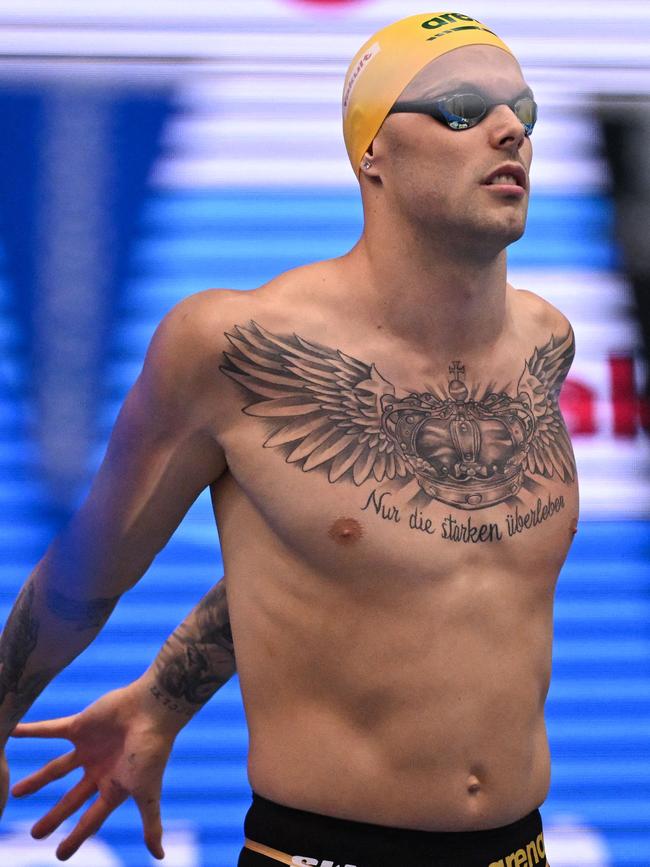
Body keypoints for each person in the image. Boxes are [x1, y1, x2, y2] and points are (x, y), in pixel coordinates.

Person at [0, 11, 578, 866]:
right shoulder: (234, 346)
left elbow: (347, 552)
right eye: (461, 110)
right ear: (369, 151)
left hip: (520, 849)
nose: (508, 132)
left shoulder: (544, 344)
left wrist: (164, 693)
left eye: (523, 113)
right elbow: (83, 579)